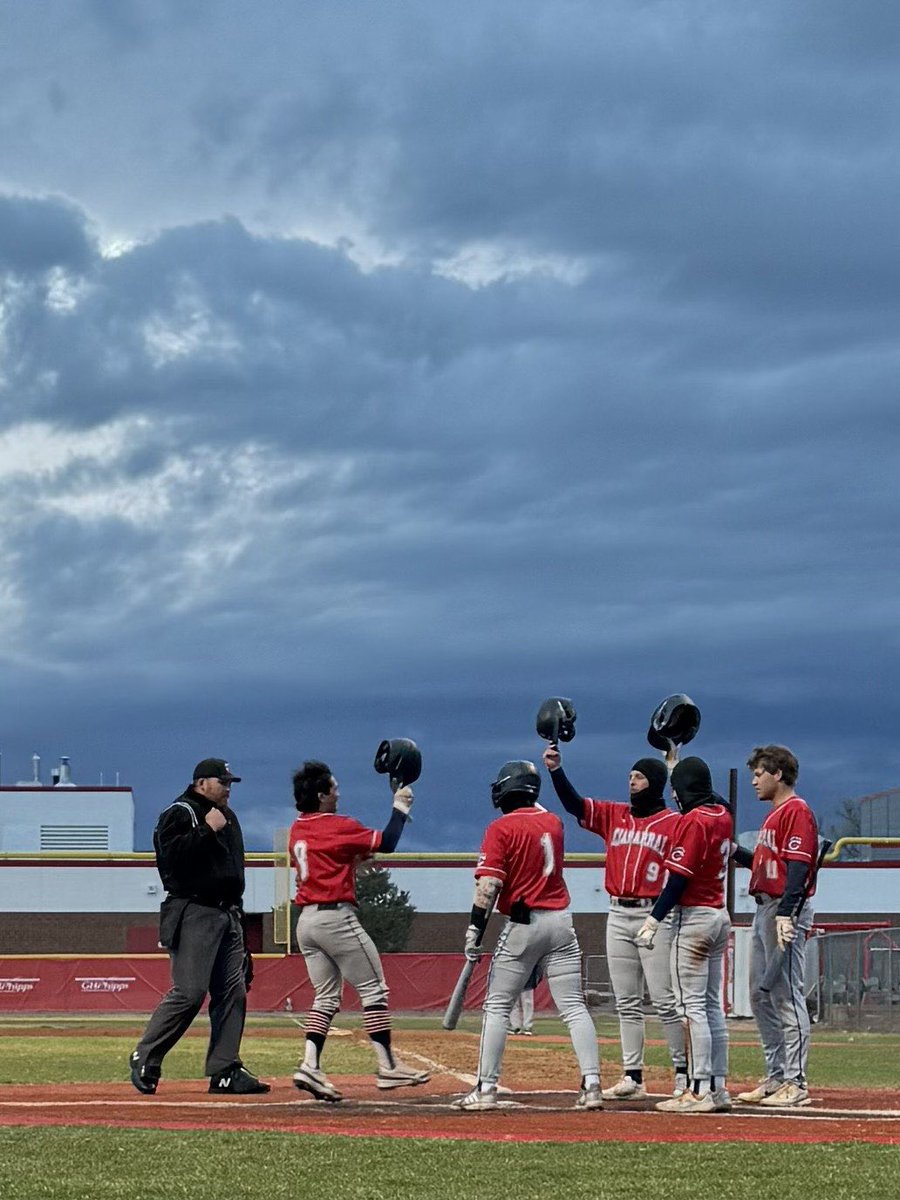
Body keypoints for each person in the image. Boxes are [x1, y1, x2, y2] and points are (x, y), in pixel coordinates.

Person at [453, 760, 602, 1112]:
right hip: (562, 922)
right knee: (574, 1007)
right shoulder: (553, 822)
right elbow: (539, 818)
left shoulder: (500, 828)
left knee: (497, 1006)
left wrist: (474, 929)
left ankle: (486, 1088)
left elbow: (489, 886)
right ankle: (593, 1085)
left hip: (524, 923)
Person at [543, 745, 688, 1099]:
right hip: (618, 912)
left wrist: (676, 768)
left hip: (654, 913)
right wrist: (556, 771)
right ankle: (633, 1076)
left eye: (639, 777)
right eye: (630, 776)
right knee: (626, 1001)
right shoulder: (615, 815)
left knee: (665, 1000)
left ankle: (684, 1074)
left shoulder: (674, 823)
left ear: (655, 782)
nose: (632, 782)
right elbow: (576, 805)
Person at [288, 760, 429, 1101]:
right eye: (333, 789)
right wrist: (400, 807)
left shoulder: (297, 828)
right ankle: (387, 1065)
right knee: (374, 989)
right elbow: (388, 841)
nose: (338, 794)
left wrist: (352, 862)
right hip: (335, 917)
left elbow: (329, 859)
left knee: (326, 997)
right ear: (321, 795)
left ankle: (310, 1065)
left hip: (306, 921)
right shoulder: (337, 825)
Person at [129, 758, 269, 1095]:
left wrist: (239, 921)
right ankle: (145, 1055)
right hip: (194, 910)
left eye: (230, 783)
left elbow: (233, 872)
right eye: (223, 782)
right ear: (201, 783)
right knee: (190, 992)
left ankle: (225, 1068)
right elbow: (170, 860)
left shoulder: (227, 817)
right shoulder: (181, 812)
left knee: (233, 991)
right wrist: (206, 830)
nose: (228, 788)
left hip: (228, 913)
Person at [633, 756, 732, 1113]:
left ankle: (699, 1089)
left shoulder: (693, 821)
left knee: (691, 1008)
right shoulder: (723, 815)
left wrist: (653, 919)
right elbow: (715, 799)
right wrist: (678, 768)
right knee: (711, 1006)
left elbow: (678, 879)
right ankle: (717, 1086)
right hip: (719, 913)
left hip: (694, 918)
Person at [733, 745, 818, 1109]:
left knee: (785, 993)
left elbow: (799, 866)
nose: (754, 781)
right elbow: (768, 864)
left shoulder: (795, 810)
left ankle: (795, 1081)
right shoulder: (775, 814)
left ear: (778, 774)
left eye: (759, 774)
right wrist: (735, 853)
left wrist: (787, 912)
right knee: (759, 994)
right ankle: (776, 1075)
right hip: (764, 907)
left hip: (784, 908)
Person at [508, 964, 541, 1035]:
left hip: (528, 977)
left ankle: (528, 1026)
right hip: (513, 976)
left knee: (527, 1002)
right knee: (513, 1003)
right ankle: (515, 1026)